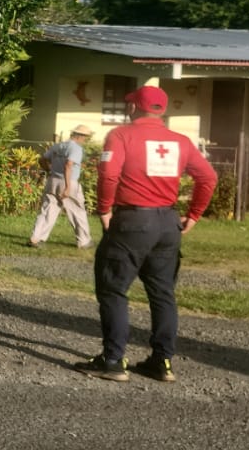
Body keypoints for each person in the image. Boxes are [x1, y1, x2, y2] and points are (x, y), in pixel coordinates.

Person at [75, 85, 217, 384]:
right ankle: (161, 361)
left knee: (113, 289)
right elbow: (208, 177)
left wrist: (104, 209)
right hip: (167, 222)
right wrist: (193, 214)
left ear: (133, 108)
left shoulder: (121, 135)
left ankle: (113, 360)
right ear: (162, 111)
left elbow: (109, 174)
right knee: (163, 293)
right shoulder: (180, 141)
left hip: (132, 219)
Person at [28, 125, 94, 249]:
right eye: (86, 137)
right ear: (81, 136)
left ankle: (35, 238)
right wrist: (68, 187)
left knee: (47, 210)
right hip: (69, 181)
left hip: (53, 180)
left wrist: (49, 171)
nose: (85, 140)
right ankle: (84, 241)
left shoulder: (57, 146)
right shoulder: (76, 149)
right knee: (77, 211)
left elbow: (42, 160)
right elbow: (69, 165)